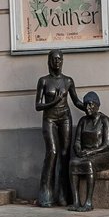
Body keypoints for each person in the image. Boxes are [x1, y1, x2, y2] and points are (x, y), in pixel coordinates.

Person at [34, 49, 84, 207]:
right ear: (49, 61)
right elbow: (38, 105)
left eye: (60, 59)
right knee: (52, 152)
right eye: (54, 59)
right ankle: (45, 195)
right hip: (49, 118)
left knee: (64, 155)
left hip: (65, 118)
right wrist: (55, 101)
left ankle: (63, 195)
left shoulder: (68, 81)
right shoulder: (43, 81)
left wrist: (91, 108)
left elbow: (76, 101)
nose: (57, 62)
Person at [68, 91, 109, 211]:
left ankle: (88, 202)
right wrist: (78, 149)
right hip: (85, 153)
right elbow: (77, 141)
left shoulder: (104, 120)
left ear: (97, 106)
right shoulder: (83, 121)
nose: (87, 108)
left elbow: (107, 145)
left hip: (102, 154)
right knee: (73, 163)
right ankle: (76, 201)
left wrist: (91, 152)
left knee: (88, 163)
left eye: (91, 104)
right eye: (86, 105)